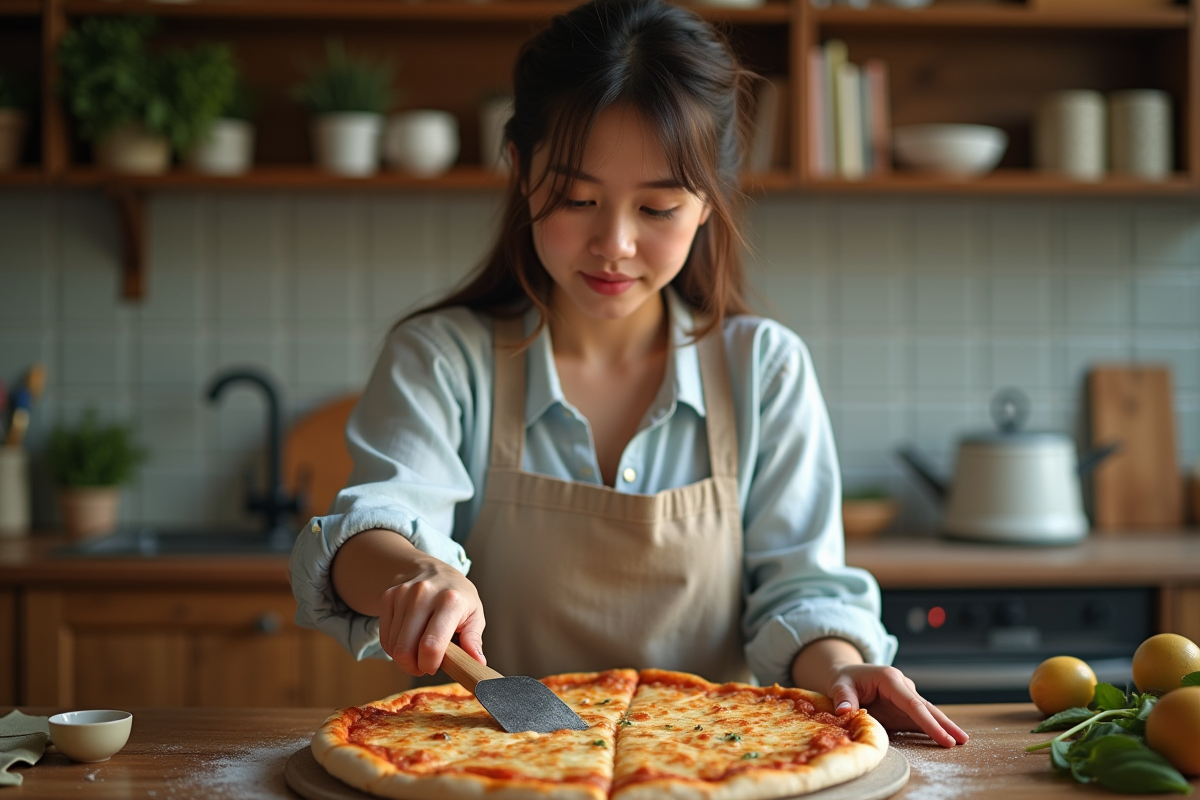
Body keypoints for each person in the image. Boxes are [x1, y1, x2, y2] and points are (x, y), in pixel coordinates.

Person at [290, 0, 968, 749]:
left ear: (709, 201)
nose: (613, 243)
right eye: (578, 199)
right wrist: (414, 576)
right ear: (520, 170)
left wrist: (840, 666)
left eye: (658, 206)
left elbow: (802, 590)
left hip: (720, 766)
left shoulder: (763, 368)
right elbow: (368, 528)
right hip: (498, 766)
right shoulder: (442, 357)